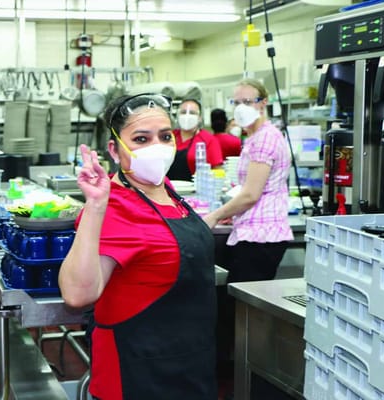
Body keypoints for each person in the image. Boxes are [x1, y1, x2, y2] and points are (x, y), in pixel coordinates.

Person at [59, 94, 217, 400]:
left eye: (165, 136)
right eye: (141, 139)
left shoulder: (167, 189)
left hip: (191, 364)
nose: (156, 147)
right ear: (115, 149)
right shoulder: (113, 205)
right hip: (138, 374)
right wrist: (94, 206)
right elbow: (77, 295)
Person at [203, 78, 294, 283]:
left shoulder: (264, 139)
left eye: (247, 101)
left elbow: (251, 194)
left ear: (263, 103)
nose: (241, 108)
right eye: (236, 103)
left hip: (261, 236)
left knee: (243, 306)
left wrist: (215, 216)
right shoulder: (256, 136)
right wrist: (233, 213)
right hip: (254, 231)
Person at [166, 98, 223, 181]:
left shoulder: (208, 140)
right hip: (168, 189)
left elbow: (218, 170)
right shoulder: (169, 136)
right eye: (183, 112)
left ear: (199, 118)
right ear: (177, 115)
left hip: (195, 190)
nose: (187, 116)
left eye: (192, 113)